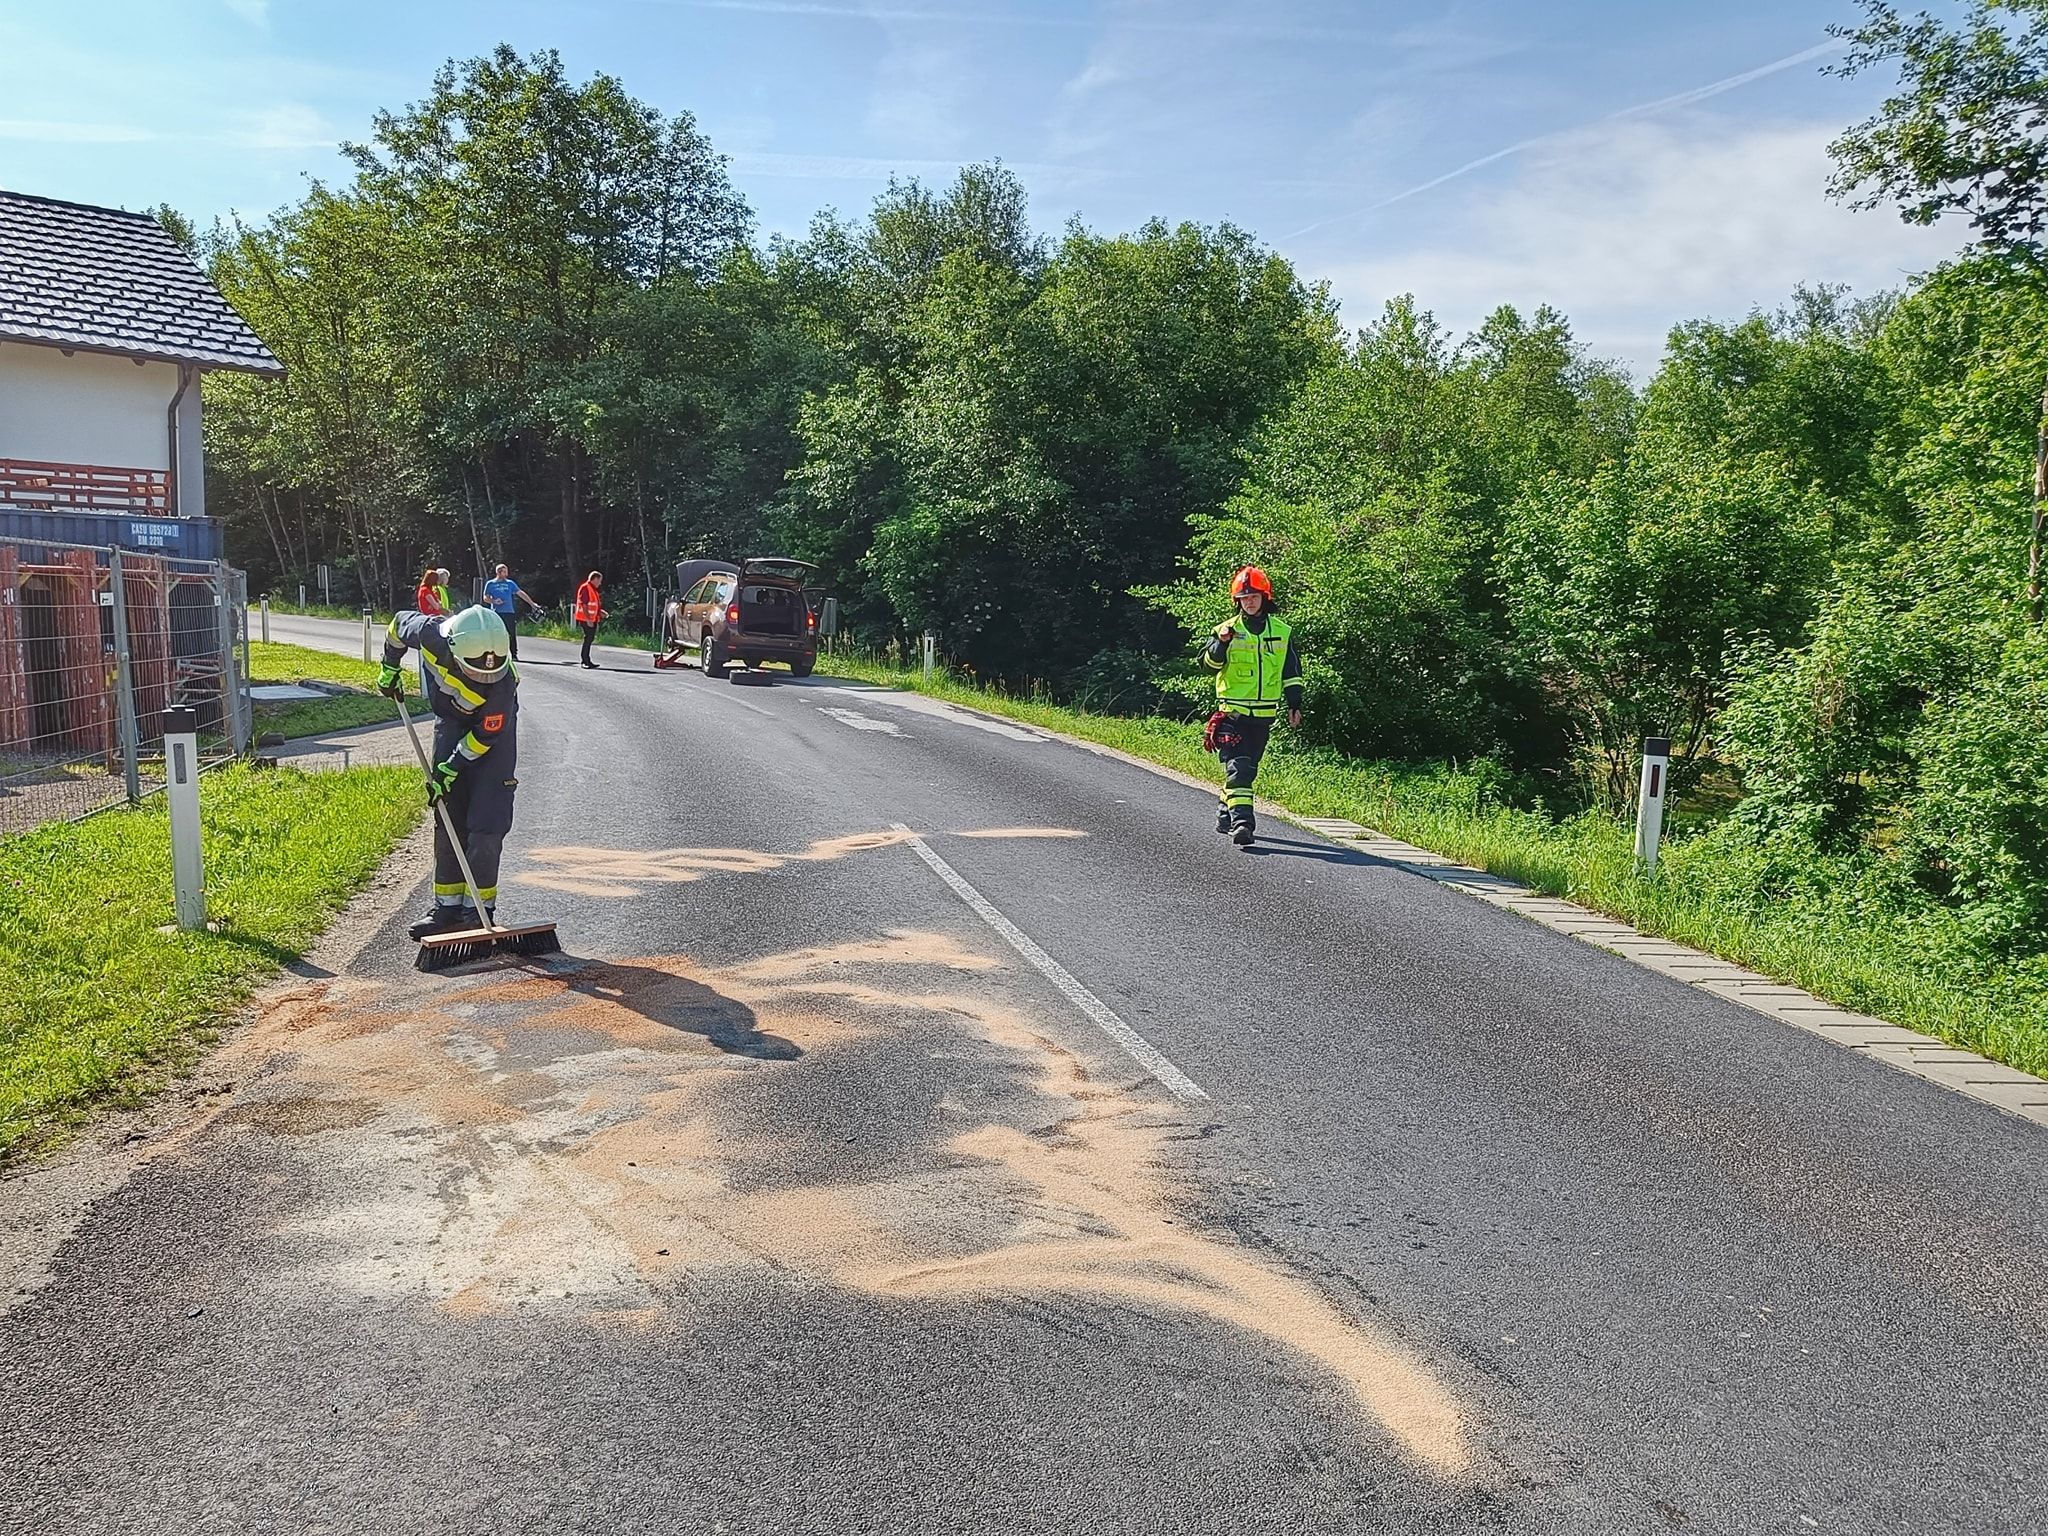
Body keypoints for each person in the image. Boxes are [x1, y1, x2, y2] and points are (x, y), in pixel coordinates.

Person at [376, 605, 520, 939]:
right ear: (454, 648)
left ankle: (478, 912)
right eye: (476, 670)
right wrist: (389, 666)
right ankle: (447, 909)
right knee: (448, 815)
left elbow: (485, 736)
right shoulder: (428, 632)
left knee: (487, 825)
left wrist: (452, 766)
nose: (485, 676)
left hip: (492, 744)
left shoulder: (503, 684)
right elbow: (397, 625)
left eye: (491, 670)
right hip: (450, 724)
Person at [1201, 565, 1303, 847]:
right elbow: (1209, 666)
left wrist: (1295, 704)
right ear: (1237, 601)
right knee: (1240, 769)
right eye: (1244, 597)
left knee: (1248, 770)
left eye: (1254, 596)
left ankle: (1225, 813)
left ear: (1264, 597)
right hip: (1231, 714)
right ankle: (1243, 824)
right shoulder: (1225, 631)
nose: (1249, 601)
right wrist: (1220, 646)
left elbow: (1291, 671)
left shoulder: (1282, 632)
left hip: (1263, 717)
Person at [482, 563, 542, 660]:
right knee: (496, 634)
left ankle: (514, 654)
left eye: (506, 571)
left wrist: (532, 603)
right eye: (504, 572)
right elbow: (485, 597)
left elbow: (520, 593)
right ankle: (496, 654)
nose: (506, 574)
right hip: (496, 612)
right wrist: (494, 601)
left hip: (509, 612)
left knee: (511, 633)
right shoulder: (490, 584)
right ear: (498, 572)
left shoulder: (510, 583)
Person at [573, 570, 607, 669]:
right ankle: (585, 661)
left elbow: (593, 604)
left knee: (590, 638)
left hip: (592, 618)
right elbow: (584, 605)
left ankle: (587, 660)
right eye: (599, 580)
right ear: (595, 579)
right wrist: (588, 619)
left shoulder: (592, 589)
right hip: (585, 618)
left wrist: (600, 612)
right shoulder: (586, 588)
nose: (600, 583)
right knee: (588, 638)